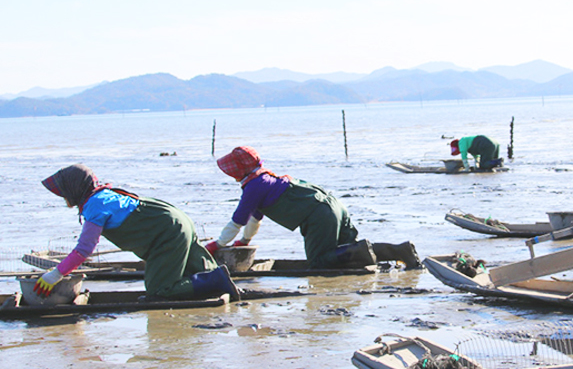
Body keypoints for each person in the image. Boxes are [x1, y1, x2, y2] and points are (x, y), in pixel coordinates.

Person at [37, 164, 239, 301]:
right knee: (197, 270)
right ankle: (218, 280)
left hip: (167, 232)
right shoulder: (106, 194)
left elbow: (84, 250)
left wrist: (54, 275)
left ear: (73, 189)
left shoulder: (95, 206)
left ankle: (216, 280)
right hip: (177, 219)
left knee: (158, 290)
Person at [209, 146, 421, 269]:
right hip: (334, 206)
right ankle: (400, 250)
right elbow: (254, 220)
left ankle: (370, 250)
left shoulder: (254, 186)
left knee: (319, 262)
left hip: (320, 215)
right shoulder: (265, 179)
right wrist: (244, 241)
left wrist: (218, 244)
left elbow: (238, 220)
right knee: (344, 254)